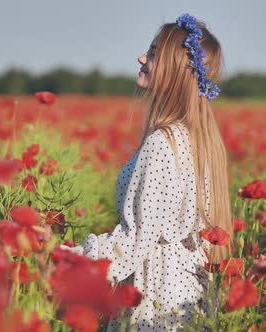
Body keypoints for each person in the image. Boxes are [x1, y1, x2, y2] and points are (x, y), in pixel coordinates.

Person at [62, 13, 234, 331]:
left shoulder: (162, 141)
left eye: (153, 53)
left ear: (174, 70)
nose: (141, 58)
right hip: (190, 297)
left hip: (156, 300)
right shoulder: (198, 140)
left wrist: (68, 258)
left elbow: (135, 241)